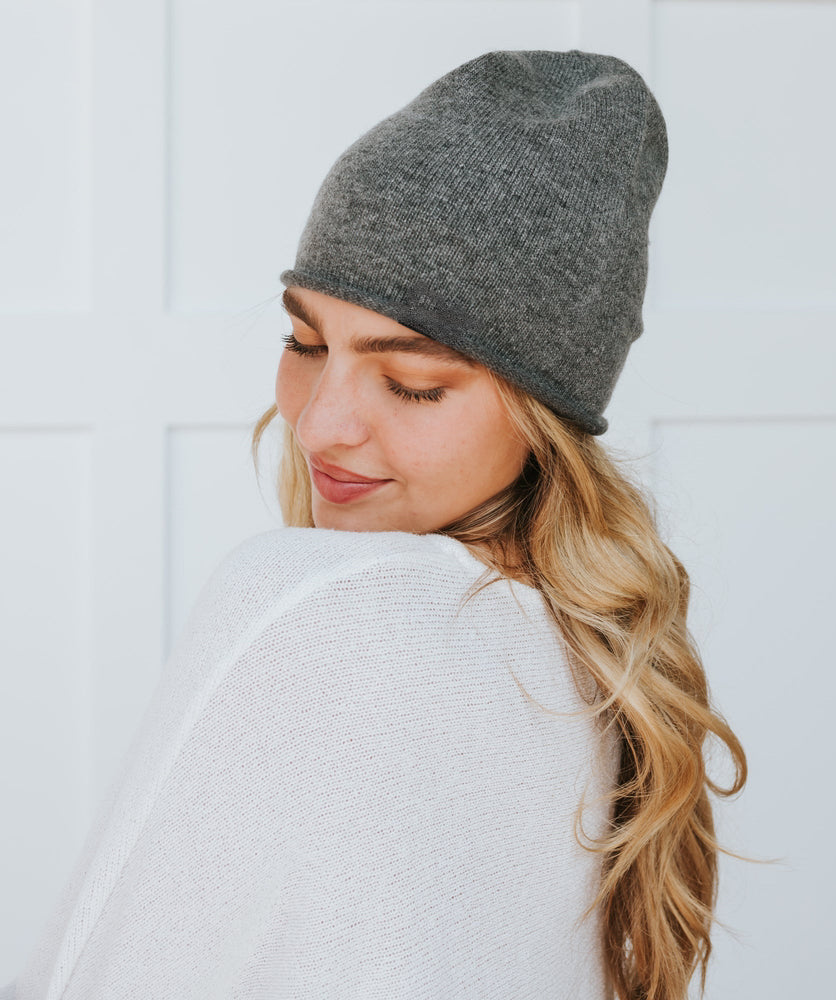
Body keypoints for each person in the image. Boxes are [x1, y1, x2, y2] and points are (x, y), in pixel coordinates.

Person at [6, 49, 745, 1000]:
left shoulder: (321, 610)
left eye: (412, 383)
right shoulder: (586, 653)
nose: (318, 423)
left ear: (543, 411)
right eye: (305, 342)